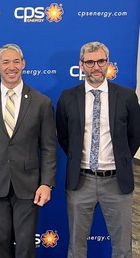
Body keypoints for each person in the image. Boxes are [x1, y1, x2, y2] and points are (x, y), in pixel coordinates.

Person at [0, 43, 57, 258]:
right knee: (0, 242)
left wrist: (46, 183)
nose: (12, 67)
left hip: (29, 185)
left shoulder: (42, 103)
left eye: (16, 61)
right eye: (6, 62)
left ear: (24, 64)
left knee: (26, 245)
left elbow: (48, 147)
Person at [56, 41, 140, 258]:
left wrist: (120, 160)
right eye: (90, 62)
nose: (96, 67)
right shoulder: (67, 97)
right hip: (80, 181)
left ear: (108, 63)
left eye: (101, 61)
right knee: (76, 246)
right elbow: (64, 137)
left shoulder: (127, 96)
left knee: (122, 248)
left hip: (116, 181)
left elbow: (135, 135)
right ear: (81, 65)